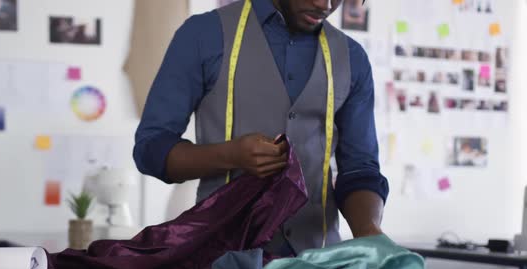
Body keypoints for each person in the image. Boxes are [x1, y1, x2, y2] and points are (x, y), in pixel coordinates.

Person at [134, 0, 388, 255]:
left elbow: (360, 169)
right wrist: (231, 155)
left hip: (314, 266)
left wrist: (369, 233)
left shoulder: (352, 58)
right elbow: (151, 150)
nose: (325, 4)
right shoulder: (204, 35)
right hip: (218, 264)